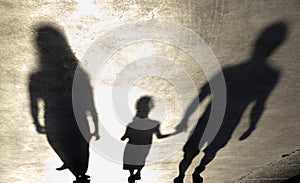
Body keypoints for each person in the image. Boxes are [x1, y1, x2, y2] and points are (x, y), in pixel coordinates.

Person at [173, 22, 287, 183]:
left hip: (220, 120)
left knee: (202, 152)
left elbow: (203, 95)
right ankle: (185, 174)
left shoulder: (246, 73)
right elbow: (259, 104)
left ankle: (191, 172)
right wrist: (252, 125)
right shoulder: (266, 75)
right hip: (219, 120)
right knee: (200, 152)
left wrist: (185, 119)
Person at [29, 24, 100, 182]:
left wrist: (37, 123)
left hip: (58, 123)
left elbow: (34, 104)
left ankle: (74, 168)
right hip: (71, 121)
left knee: (76, 161)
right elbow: (89, 103)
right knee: (79, 161)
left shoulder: (38, 76)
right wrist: (95, 124)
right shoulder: (76, 72)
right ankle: (76, 170)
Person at [121, 96, 171, 183]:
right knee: (141, 159)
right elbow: (159, 136)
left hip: (133, 145)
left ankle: (132, 174)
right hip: (145, 145)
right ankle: (138, 172)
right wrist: (172, 134)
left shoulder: (132, 125)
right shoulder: (154, 124)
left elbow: (124, 137)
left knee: (131, 159)